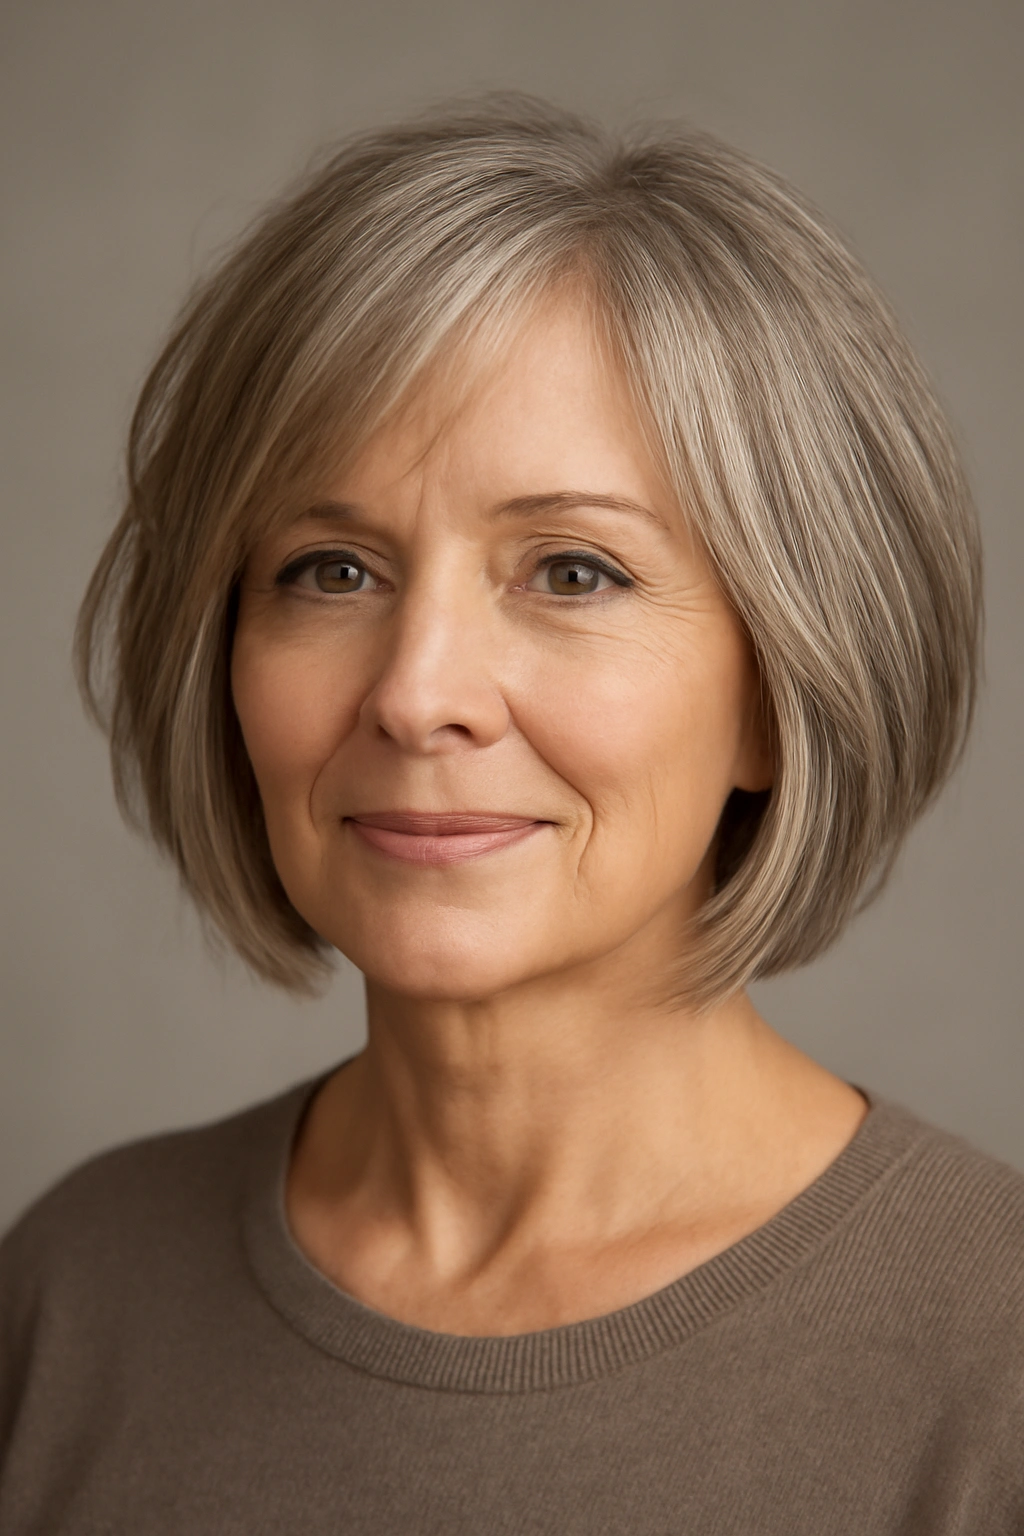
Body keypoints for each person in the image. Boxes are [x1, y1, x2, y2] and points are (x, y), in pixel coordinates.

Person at [1, 95, 1021, 1534]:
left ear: (783, 681)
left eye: (573, 573)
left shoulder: (995, 1362)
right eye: (330, 571)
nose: (418, 697)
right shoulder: (71, 1299)